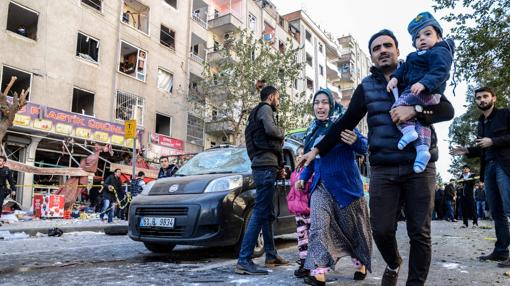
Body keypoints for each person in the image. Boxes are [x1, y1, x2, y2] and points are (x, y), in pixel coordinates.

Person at [298, 29, 454, 286]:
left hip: (420, 166)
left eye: (387, 46)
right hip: (383, 168)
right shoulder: (366, 87)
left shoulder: (417, 74)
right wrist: (316, 150)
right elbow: (345, 122)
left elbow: (447, 110)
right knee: (381, 229)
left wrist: (414, 109)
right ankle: (393, 263)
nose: (382, 50)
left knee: (420, 232)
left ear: (397, 50)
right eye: (376, 48)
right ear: (371, 56)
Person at [297, 88, 371, 286]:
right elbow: (311, 159)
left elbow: (364, 147)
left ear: (331, 105)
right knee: (318, 226)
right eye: (316, 103)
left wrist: (356, 141)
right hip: (321, 186)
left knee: (354, 229)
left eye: (324, 102)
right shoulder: (312, 130)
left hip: (346, 186)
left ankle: (360, 261)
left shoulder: (342, 124)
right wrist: (304, 176)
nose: (320, 106)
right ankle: (318, 270)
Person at [386, 12, 454, 173]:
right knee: (422, 123)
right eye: (417, 37)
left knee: (397, 107)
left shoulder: (440, 52)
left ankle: (408, 132)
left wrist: (424, 83)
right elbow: (403, 69)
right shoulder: (413, 56)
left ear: (439, 37)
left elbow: (441, 70)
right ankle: (423, 150)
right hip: (421, 94)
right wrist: (395, 78)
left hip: (427, 92)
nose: (422, 38)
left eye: (427, 34)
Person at [450, 87, 510, 267]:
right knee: (497, 212)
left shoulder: (505, 114)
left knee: (509, 209)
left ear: (494, 98)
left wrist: (494, 141)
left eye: (485, 96)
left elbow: (496, 141)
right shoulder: (480, 122)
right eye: (478, 98)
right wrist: (467, 150)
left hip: (504, 166)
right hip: (489, 168)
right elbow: (483, 147)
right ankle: (501, 251)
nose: (482, 100)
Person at [235, 85, 288, 275]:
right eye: (278, 97)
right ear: (272, 96)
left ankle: (271, 255)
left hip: (264, 166)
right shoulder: (265, 109)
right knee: (259, 212)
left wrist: (279, 166)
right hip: (265, 168)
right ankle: (244, 260)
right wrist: (282, 132)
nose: (278, 101)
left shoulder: (254, 115)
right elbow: (271, 131)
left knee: (266, 213)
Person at [286, 145, 312, 278]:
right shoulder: (294, 172)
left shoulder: (311, 171)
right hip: (299, 211)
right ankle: (303, 263)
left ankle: (313, 264)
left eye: (303, 154)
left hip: (310, 210)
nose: (300, 157)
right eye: (298, 155)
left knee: (313, 238)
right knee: (302, 238)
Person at [0, 155, 16, 223]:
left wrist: (13, 189)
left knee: (0, 204)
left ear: (4, 162)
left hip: (1, 189)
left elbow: (11, 180)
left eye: (0, 160)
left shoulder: (6, 170)